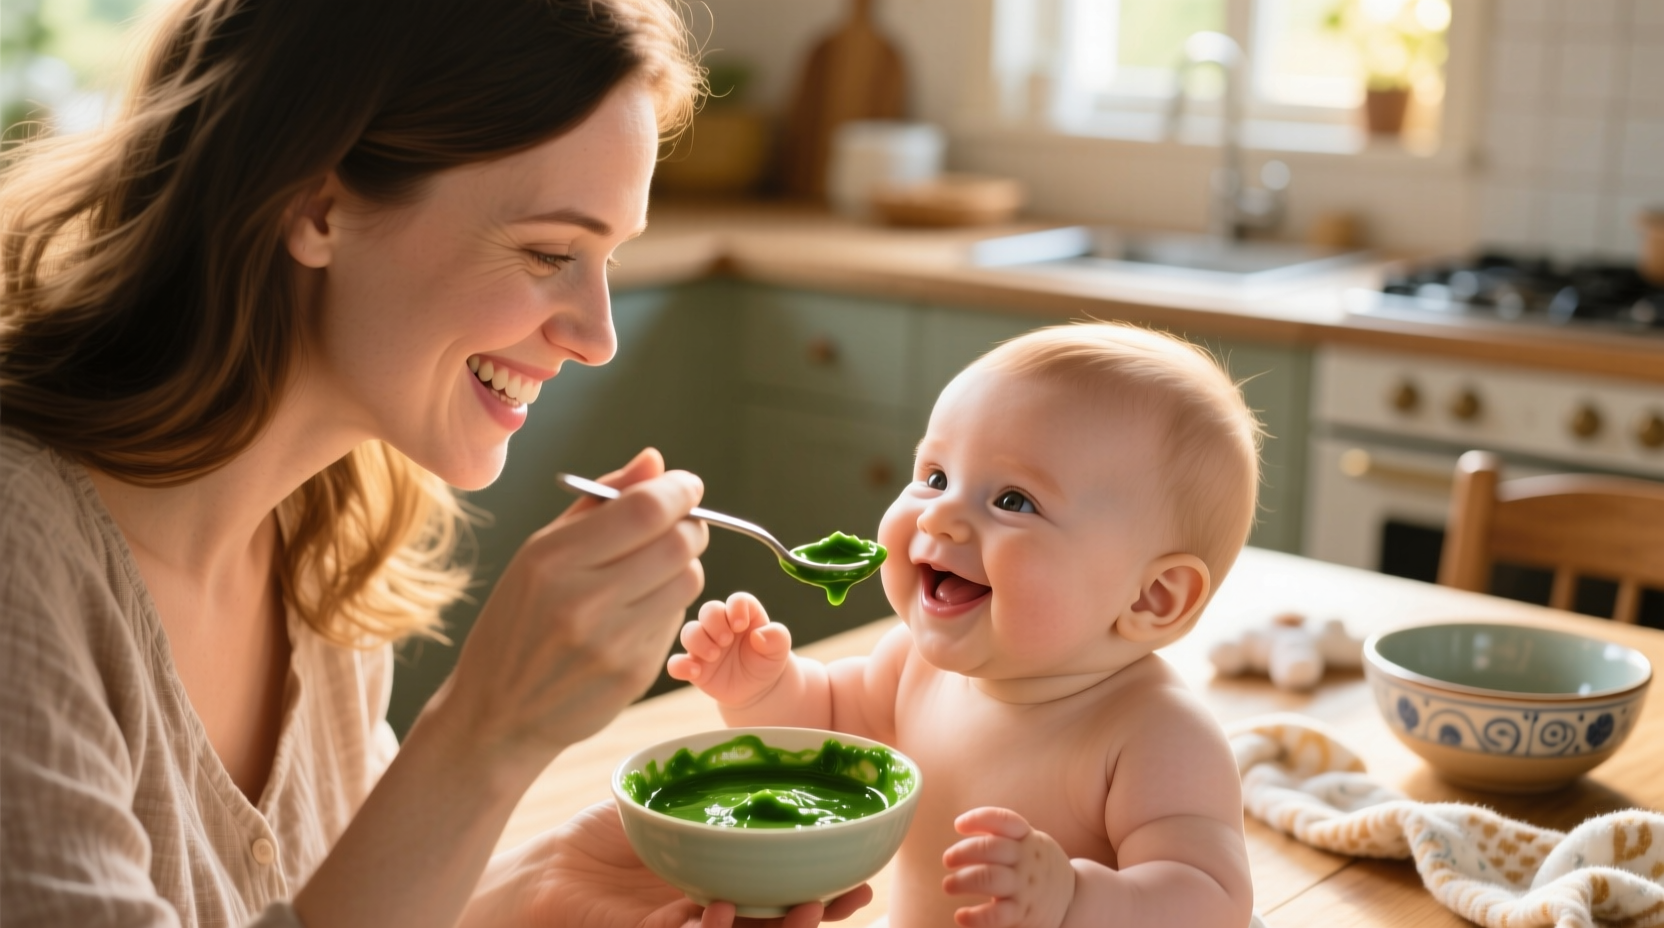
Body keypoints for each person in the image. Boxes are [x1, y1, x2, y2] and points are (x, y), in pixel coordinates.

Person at [0, 1, 869, 926]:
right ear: (317, 205)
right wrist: (485, 734)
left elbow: (343, 903)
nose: (596, 336)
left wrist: (533, 899)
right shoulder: (25, 559)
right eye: (548, 251)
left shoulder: (326, 530)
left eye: (607, 258)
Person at [669, 322, 1263, 928]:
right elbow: (825, 732)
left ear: (1152, 598)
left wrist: (1074, 900)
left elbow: (1209, 902)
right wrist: (766, 690)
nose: (942, 516)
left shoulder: (1157, 735)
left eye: (1013, 500)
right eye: (935, 477)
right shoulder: (913, 665)